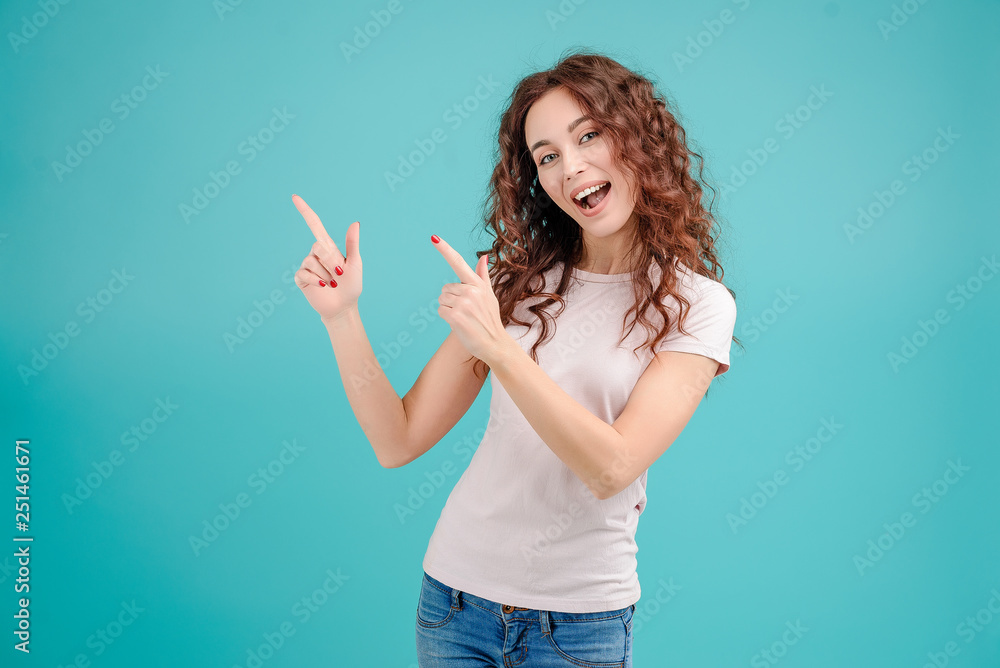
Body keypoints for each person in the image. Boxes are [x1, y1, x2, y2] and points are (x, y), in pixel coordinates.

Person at [290, 48, 740, 667]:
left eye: (590, 136)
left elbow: (612, 468)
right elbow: (396, 440)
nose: (571, 166)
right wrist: (341, 317)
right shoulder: (517, 284)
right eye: (547, 155)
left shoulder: (698, 305)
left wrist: (501, 349)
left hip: (579, 622)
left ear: (638, 140)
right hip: (454, 602)